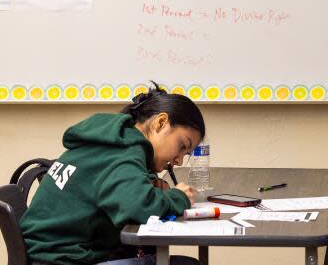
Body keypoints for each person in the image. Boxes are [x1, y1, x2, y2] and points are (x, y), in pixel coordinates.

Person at [21, 83, 205, 265]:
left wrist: (148, 182)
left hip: (48, 252)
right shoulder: (124, 151)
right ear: (161, 122)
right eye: (182, 146)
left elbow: (107, 181)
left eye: (185, 154)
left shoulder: (114, 140)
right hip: (62, 259)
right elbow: (140, 207)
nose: (179, 160)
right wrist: (179, 197)